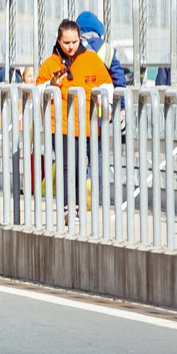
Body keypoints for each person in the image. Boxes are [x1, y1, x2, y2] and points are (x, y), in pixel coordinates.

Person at [32, 18, 113, 218]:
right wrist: (52, 84)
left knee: (78, 163)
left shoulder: (92, 60)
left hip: (85, 123)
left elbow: (106, 84)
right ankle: (70, 206)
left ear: (79, 39)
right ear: (58, 41)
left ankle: (74, 205)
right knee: (69, 162)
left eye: (74, 42)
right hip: (58, 125)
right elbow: (38, 90)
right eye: (66, 42)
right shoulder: (50, 64)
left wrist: (106, 103)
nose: (70, 46)